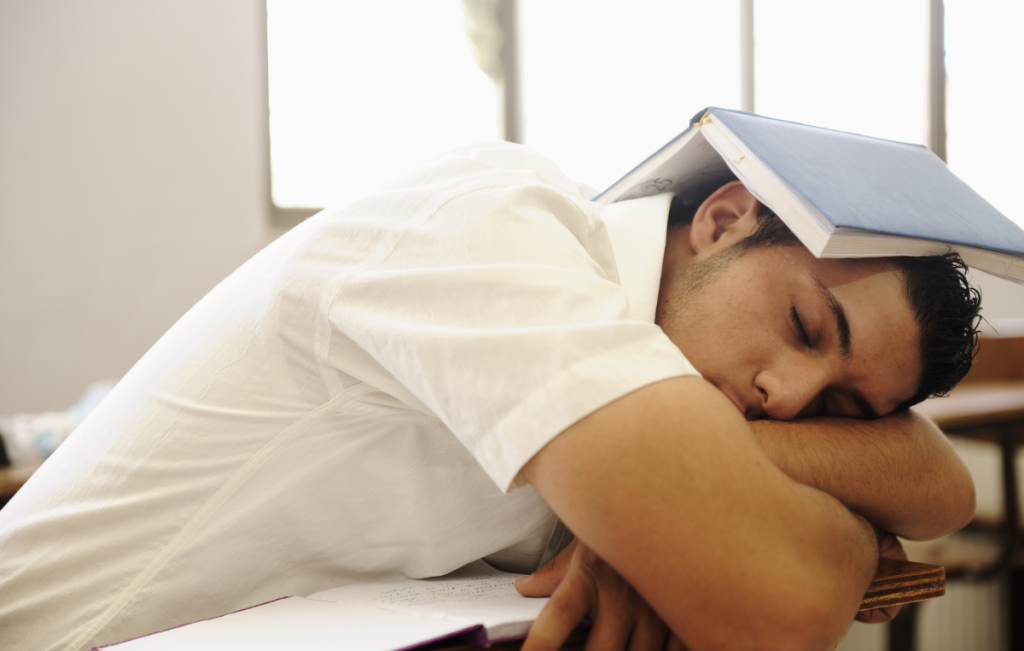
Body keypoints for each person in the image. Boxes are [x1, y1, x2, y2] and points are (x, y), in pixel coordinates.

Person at [0, 142, 978, 651]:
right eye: (806, 326)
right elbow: (777, 607)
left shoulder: (644, 359)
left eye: (843, 409)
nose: (786, 394)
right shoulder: (502, 230)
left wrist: (710, 487)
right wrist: (814, 522)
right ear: (723, 219)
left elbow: (939, 485)